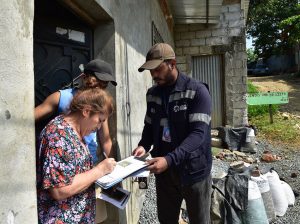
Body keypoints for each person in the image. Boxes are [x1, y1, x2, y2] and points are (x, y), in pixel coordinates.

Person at [133, 43, 212, 224]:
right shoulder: (152, 94)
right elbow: (149, 126)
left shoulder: (197, 91)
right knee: (167, 220)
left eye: (157, 69)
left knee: (200, 220)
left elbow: (198, 134)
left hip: (194, 172)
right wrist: (143, 145)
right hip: (166, 176)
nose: (153, 75)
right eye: (150, 71)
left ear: (172, 64)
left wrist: (169, 159)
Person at [37, 88, 117, 223]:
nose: (99, 127)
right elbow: (59, 189)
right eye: (99, 120)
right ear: (86, 111)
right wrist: (99, 170)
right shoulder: (58, 135)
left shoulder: (76, 132)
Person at [35, 59, 117, 164]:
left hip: (90, 163)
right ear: (85, 78)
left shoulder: (100, 107)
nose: (101, 89)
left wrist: (114, 169)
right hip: (66, 162)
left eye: (104, 85)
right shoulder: (61, 97)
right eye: (98, 83)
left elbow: (105, 140)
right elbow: (28, 119)